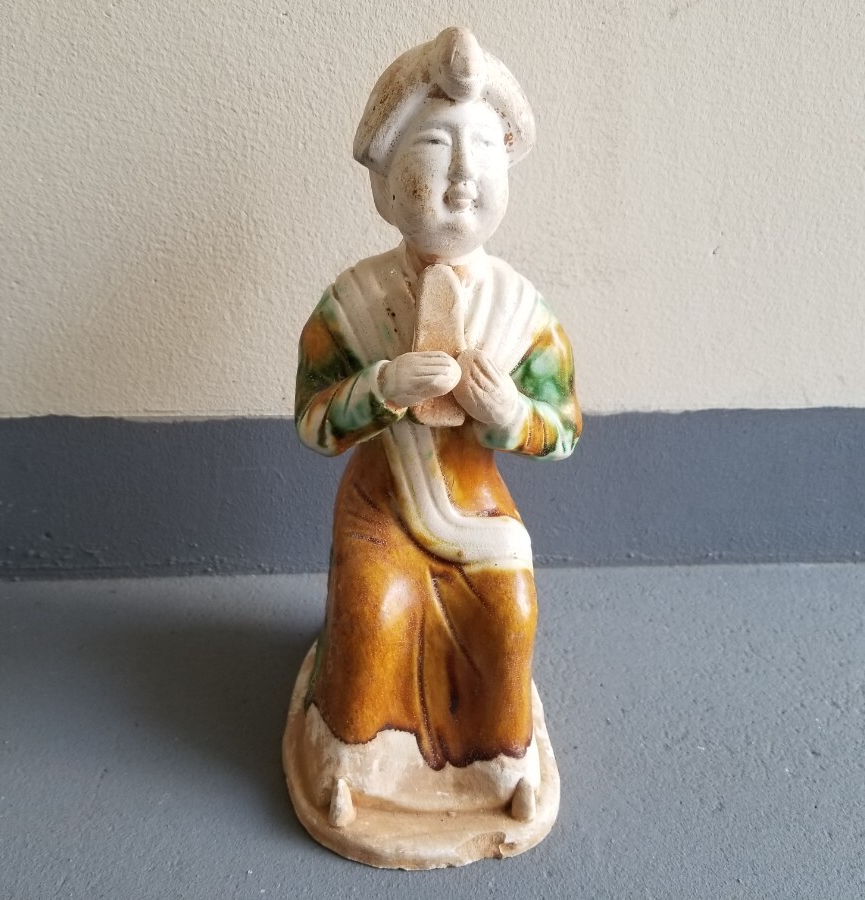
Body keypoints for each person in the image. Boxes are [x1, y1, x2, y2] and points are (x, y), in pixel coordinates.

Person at [292, 26, 581, 829]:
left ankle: (499, 758)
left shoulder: (521, 312)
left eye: (482, 148)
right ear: (384, 188)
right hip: (381, 510)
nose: (462, 176)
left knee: (509, 609)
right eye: (433, 146)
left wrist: (510, 413)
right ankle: (354, 757)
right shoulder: (353, 305)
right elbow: (312, 424)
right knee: (375, 607)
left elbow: (563, 429)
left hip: (475, 509)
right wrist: (379, 387)